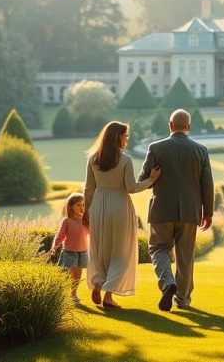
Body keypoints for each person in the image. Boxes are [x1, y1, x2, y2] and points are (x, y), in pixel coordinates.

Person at [139, 108, 214, 312]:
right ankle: (182, 299)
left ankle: (166, 282)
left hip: (161, 209)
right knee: (185, 256)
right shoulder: (201, 150)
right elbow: (207, 183)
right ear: (188, 127)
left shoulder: (156, 148)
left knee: (157, 248)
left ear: (170, 125)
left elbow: (142, 180)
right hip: (190, 212)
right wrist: (208, 212)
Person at [84, 121, 161, 309]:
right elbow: (132, 188)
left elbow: (88, 189)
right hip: (119, 205)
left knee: (100, 249)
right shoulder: (125, 160)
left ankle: (97, 283)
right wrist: (151, 179)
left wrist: (86, 212)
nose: (127, 138)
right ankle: (108, 295)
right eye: (126, 135)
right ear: (118, 136)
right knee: (121, 251)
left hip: (98, 206)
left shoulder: (93, 158)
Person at [51, 193, 90, 304]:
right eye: (78, 205)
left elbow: (93, 232)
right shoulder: (67, 221)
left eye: (83, 205)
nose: (82, 207)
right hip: (69, 252)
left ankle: (73, 294)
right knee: (68, 274)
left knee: (77, 275)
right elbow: (60, 236)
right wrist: (55, 246)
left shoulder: (85, 221)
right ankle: (59, 293)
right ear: (71, 206)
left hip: (82, 252)